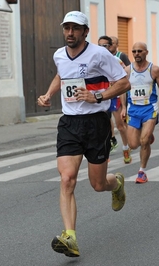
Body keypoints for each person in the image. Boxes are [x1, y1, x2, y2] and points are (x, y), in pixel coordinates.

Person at [37, 11, 130, 257]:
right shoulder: (59, 54)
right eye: (67, 28)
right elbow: (61, 74)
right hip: (69, 123)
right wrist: (49, 94)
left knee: (98, 184)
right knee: (67, 178)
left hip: (96, 123)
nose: (70, 33)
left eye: (75, 28)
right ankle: (70, 237)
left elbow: (123, 82)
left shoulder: (100, 54)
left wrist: (97, 96)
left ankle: (116, 183)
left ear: (85, 32)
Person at [120, 42, 159, 183]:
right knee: (133, 144)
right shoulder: (128, 70)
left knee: (144, 141)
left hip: (149, 109)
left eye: (139, 51)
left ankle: (142, 171)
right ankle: (147, 136)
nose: (136, 54)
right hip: (133, 109)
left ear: (146, 52)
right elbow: (122, 90)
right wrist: (123, 107)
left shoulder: (154, 69)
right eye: (134, 51)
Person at [98, 35, 132, 163]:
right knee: (103, 126)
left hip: (115, 96)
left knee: (120, 125)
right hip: (101, 97)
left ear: (111, 46)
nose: (102, 48)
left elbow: (123, 83)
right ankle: (105, 154)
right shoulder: (94, 60)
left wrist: (124, 106)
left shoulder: (117, 60)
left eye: (105, 46)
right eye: (99, 45)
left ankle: (126, 148)